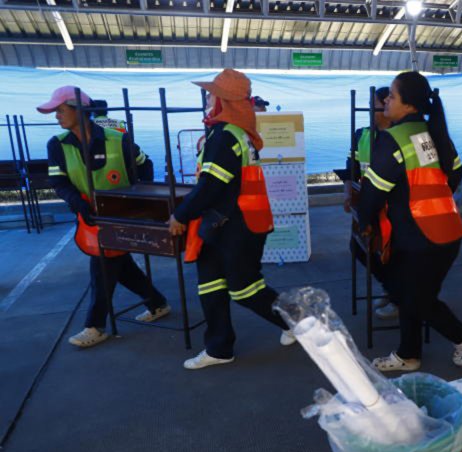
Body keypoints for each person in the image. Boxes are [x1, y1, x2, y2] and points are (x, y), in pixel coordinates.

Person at [167, 69, 296, 370]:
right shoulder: (236, 133)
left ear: (224, 101)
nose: (208, 98)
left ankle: (295, 322)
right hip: (225, 224)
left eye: (211, 94)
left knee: (244, 288)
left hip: (236, 226)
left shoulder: (225, 135)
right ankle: (219, 348)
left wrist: (180, 214)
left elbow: (211, 185)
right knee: (210, 283)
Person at [356, 71, 462, 372]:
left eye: (392, 96)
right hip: (441, 232)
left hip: (422, 237)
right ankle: (408, 355)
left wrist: (366, 221)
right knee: (408, 294)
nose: (386, 100)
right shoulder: (432, 132)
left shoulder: (393, 139)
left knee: (415, 300)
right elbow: (456, 174)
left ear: (408, 105)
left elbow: (372, 193)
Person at [39, 86, 170, 348]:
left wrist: (138, 199)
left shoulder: (118, 139)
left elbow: (145, 165)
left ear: (80, 110)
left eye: (60, 110)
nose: (56, 116)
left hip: (121, 215)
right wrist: (77, 203)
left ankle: (94, 325)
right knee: (118, 265)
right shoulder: (57, 145)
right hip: (90, 215)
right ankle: (157, 303)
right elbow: (58, 181)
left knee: (103, 266)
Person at [341, 87, 398, 320]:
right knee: (360, 248)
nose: (370, 109)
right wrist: (348, 193)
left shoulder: (398, 136)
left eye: (373, 103)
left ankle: (398, 297)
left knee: (393, 252)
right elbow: (350, 168)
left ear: (387, 104)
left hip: (392, 207)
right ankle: (391, 288)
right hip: (367, 204)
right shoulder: (361, 134)